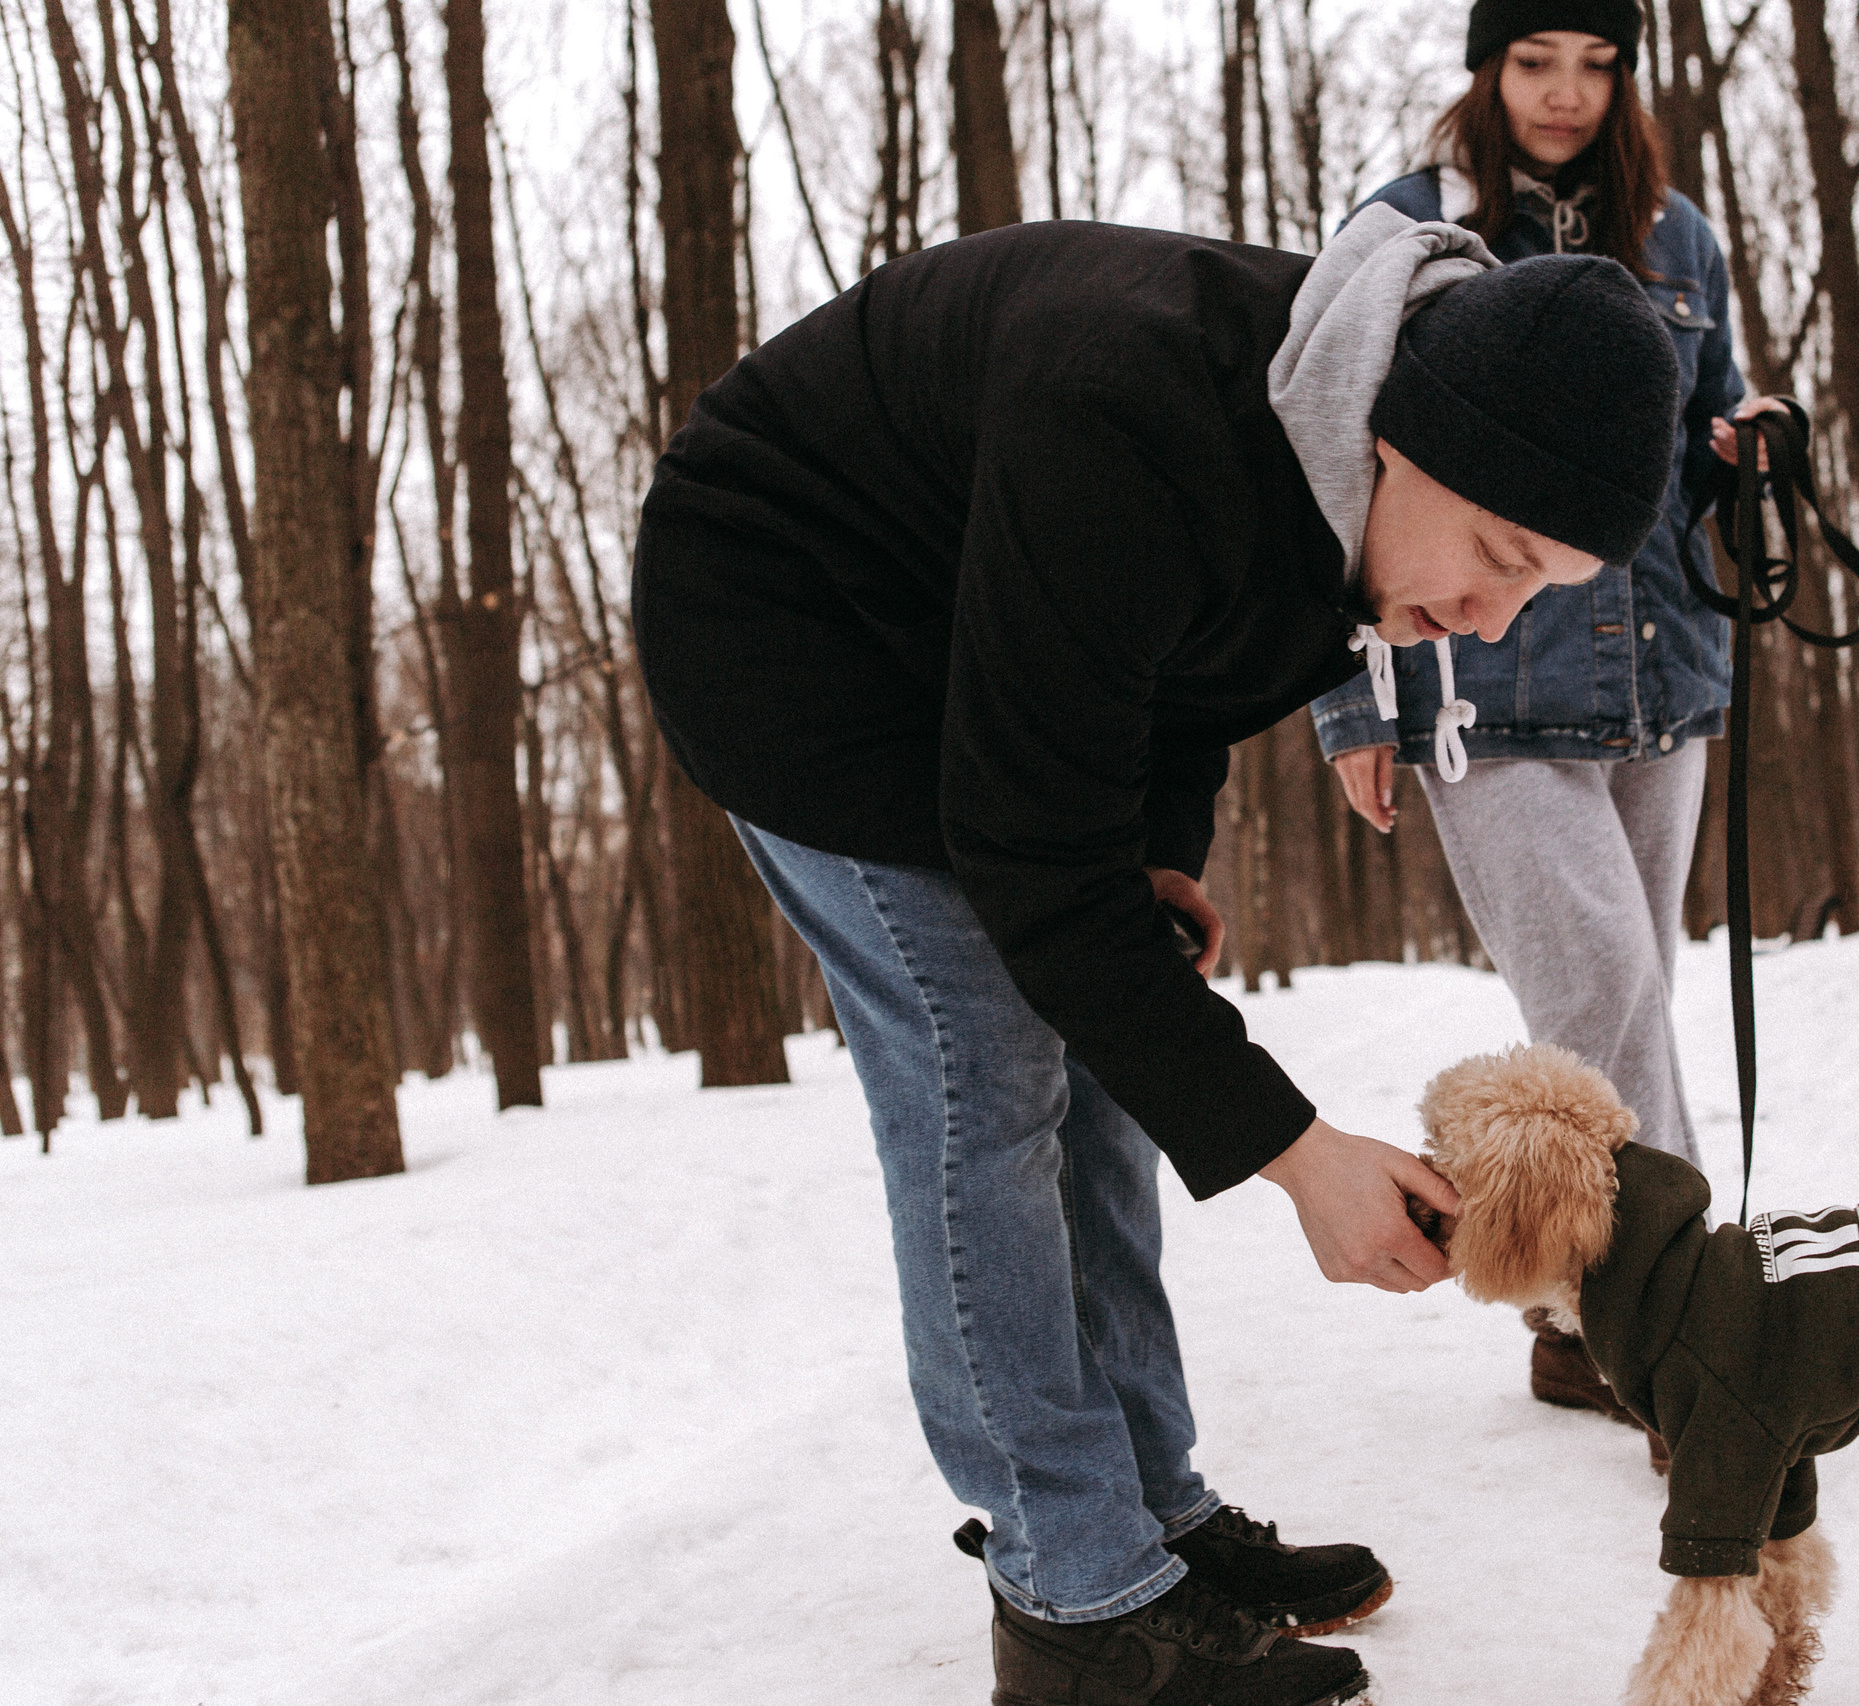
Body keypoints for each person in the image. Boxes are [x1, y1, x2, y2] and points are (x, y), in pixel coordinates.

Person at [632, 207, 1682, 1705]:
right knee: (983, 1068)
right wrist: (1296, 1151)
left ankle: (1149, 1512)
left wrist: (1155, 854)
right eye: (1499, 556)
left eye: (1542, 588)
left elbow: (1180, 671)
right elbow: (1037, 853)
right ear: (1399, 438)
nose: (1489, 620)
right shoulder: (1132, 412)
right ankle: (1077, 1597)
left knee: (1112, 1043)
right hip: (793, 623)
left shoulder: (1341, 478)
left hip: (978, 636)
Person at [1308, 0, 1784, 1430]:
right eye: (1535, 61)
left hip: (1662, 674)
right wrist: (1346, 698)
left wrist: (1748, 445)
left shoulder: (1677, 236)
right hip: (1486, 682)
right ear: (1487, 69)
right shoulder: (1408, 226)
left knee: (1628, 1003)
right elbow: (1329, 461)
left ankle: (1583, 1318)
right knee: (1599, 993)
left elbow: (1701, 424)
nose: (1566, 92)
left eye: (1595, 64)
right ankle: (1688, 1322)